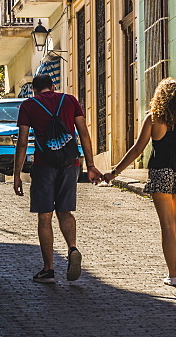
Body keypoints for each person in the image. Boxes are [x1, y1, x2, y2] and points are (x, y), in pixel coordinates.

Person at [104, 77, 176, 287]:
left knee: (167, 224)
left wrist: (115, 172)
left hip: (161, 173)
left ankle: (172, 276)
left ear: (159, 98)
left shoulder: (153, 119)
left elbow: (137, 149)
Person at [14, 74, 102, 284]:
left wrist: (17, 174)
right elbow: (84, 133)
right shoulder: (69, 100)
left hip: (44, 166)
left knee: (45, 217)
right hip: (70, 164)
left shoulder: (29, 105)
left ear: (34, 90)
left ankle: (48, 269)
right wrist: (90, 165)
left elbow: (23, 142)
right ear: (53, 87)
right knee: (65, 211)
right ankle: (72, 247)